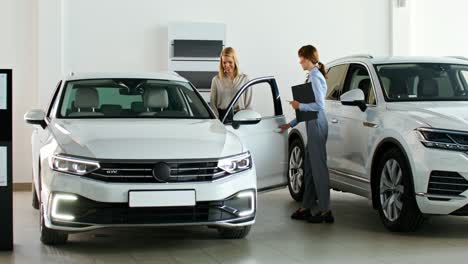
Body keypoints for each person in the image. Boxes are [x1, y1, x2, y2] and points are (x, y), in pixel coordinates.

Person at [279, 45, 334, 224]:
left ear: (309, 58)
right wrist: (291, 123)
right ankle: (306, 207)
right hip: (313, 123)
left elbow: (319, 106)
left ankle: (326, 211)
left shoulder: (316, 77)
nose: (299, 61)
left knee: (319, 170)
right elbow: (309, 110)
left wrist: (298, 106)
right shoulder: (312, 76)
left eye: (301, 58)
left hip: (317, 123)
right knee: (310, 169)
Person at [210, 47, 252, 120]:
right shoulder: (216, 80)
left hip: (240, 119)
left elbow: (248, 105)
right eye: (224, 62)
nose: (226, 65)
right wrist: (217, 122)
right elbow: (213, 105)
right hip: (222, 118)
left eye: (230, 62)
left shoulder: (245, 79)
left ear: (235, 61)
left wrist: (246, 121)